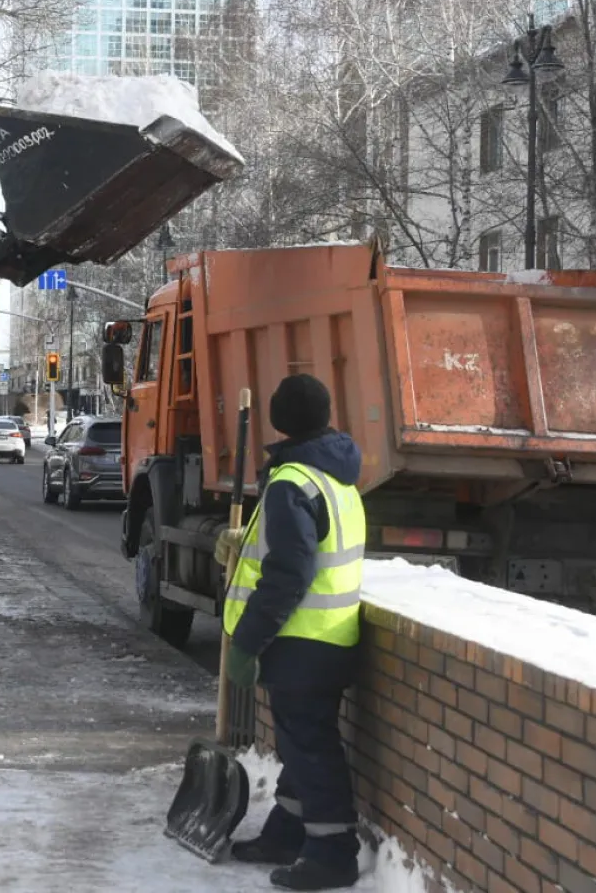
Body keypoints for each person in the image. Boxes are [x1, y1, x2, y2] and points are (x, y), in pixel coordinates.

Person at [216, 373, 366, 891]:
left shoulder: (290, 482)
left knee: (311, 746)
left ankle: (332, 853)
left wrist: (248, 640)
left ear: (281, 421)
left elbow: (290, 573)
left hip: (302, 641)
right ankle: (286, 833)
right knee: (300, 744)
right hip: (331, 637)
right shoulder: (335, 477)